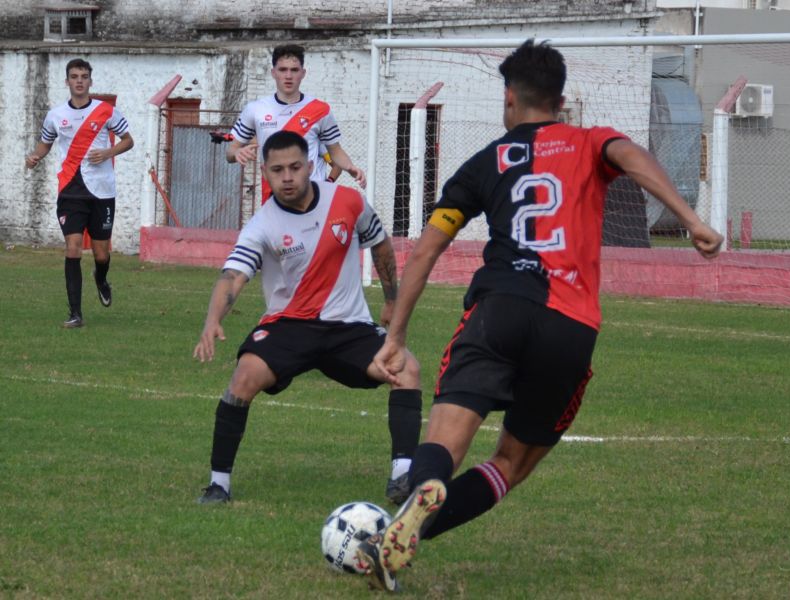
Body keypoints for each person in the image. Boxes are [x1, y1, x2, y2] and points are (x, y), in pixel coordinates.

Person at [355, 40, 724, 592]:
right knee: (510, 462)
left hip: (497, 310)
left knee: (447, 437)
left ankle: (421, 496)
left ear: (510, 98)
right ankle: (413, 535)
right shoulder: (589, 141)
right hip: (568, 325)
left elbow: (426, 252)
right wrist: (690, 217)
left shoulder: (484, 163)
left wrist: (397, 331)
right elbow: (631, 156)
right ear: (561, 99)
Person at [193, 130, 421, 506]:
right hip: (289, 326)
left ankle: (402, 476)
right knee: (244, 378)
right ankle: (219, 484)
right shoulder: (261, 225)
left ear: (311, 166)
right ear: (264, 172)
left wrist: (391, 299)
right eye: (278, 169)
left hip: (349, 327)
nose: (287, 177)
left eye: (295, 167)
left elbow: (379, 241)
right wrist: (213, 318)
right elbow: (233, 276)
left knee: (406, 368)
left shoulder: (348, 201)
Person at [25, 58, 134, 328]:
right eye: (74, 76)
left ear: (90, 81)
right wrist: (35, 157)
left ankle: (101, 278)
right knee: (72, 249)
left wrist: (108, 152)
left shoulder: (105, 111)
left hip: (102, 192)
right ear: (67, 81)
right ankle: (75, 314)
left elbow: (128, 141)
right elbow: (45, 144)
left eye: (84, 76)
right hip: (70, 191)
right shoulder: (55, 115)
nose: (79, 81)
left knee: (101, 254)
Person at [226, 44, 364, 204]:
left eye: (294, 70)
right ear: (273, 73)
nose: (288, 76)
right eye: (283, 70)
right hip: (274, 198)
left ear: (303, 73)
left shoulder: (320, 110)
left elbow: (335, 152)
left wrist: (351, 167)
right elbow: (230, 152)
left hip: (313, 199)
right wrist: (236, 153)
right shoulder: (255, 110)